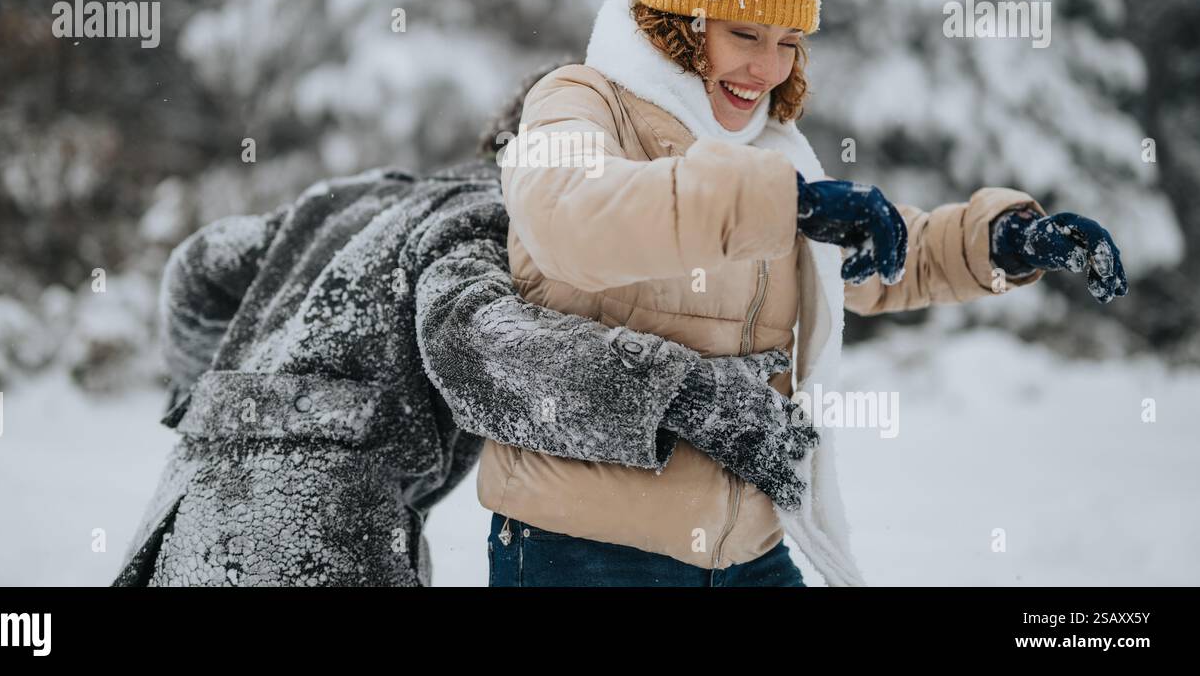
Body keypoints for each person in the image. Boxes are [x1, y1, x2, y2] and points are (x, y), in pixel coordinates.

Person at [482, 0, 1128, 587]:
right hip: (586, 553)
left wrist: (1004, 242)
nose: (767, 69)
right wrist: (783, 203)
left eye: (788, 43)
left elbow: (872, 260)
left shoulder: (769, 150)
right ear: (680, 25)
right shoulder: (582, 100)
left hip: (748, 551)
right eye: (745, 34)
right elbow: (568, 218)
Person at [111, 69, 821, 586]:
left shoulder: (347, 198)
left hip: (186, 518)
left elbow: (199, 267)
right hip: (316, 534)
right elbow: (472, 347)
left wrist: (220, 401)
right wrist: (684, 392)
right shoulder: (489, 219)